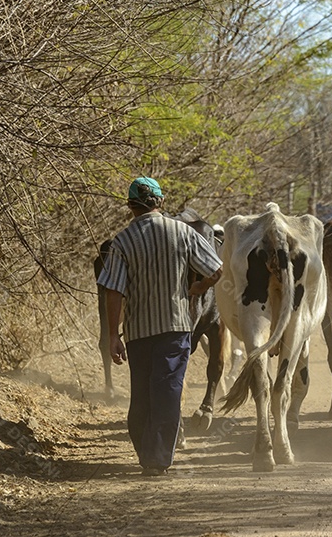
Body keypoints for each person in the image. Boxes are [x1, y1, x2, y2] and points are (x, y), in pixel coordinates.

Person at [97, 177, 223, 476]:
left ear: (130, 206)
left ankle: (146, 452)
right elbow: (216, 270)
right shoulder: (183, 232)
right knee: (167, 391)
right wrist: (198, 288)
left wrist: (114, 335)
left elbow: (113, 291)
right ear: (161, 202)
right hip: (176, 328)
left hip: (139, 331)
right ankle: (157, 459)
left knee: (141, 393)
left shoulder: (122, 242)